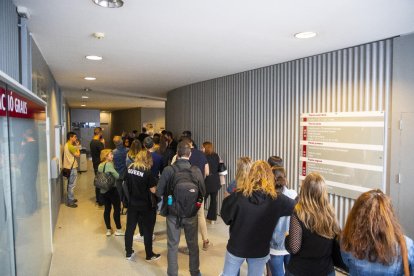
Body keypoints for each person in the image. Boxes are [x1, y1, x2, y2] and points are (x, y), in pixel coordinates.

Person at [220, 160, 295, 276]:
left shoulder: (238, 196)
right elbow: (298, 207)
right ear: (270, 177)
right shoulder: (277, 200)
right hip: (260, 250)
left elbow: (226, 217)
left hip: (236, 247)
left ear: (250, 175)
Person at [156, 141, 206, 276]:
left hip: (173, 214)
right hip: (191, 214)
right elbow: (203, 191)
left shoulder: (168, 170)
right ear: (189, 155)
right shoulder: (196, 171)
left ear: (177, 154)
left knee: (172, 245)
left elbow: (159, 192)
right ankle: (195, 272)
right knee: (193, 245)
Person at [341, 189, 414, 275]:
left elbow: (346, 263)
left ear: (356, 216)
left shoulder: (347, 241)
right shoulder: (407, 245)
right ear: (389, 216)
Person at [285, 172, 339, 276]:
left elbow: (294, 248)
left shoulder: (299, 213)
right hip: (325, 270)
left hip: (300, 270)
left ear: (305, 190)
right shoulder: (330, 213)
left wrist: (287, 237)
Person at [124, 150, 161, 262]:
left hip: (132, 203)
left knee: (130, 228)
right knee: (148, 230)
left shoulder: (129, 168)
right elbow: (153, 190)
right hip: (146, 205)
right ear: (147, 159)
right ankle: (149, 254)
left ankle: (128, 252)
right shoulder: (147, 172)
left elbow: (125, 183)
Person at [268, 167, 297, 276]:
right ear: (285, 179)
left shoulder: (268, 197)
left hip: (274, 247)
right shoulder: (293, 194)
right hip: (291, 245)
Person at [133, 136, 164, 242]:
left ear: (144, 145)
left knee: (141, 209)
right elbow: (162, 171)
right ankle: (150, 233)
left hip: (141, 183)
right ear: (153, 145)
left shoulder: (140, 156)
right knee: (152, 208)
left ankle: (142, 232)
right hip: (154, 183)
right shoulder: (159, 157)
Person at [98, 149, 123, 236]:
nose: (112, 156)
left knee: (107, 210)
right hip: (112, 190)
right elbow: (117, 175)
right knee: (117, 209)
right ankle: (119, 230)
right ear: (106, 156)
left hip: (103, 190)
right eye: (110, 155)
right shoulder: (109, 165)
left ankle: (108, 229)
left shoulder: (100, 165)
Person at [201, 141, 221, 223]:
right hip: (216, 180)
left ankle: (200, 217)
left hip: (207, 181)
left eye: (202, 147)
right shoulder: (216, 155)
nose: (201, 148)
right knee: (213, 200)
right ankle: (212, 218)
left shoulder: (203, 157)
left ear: (205, 148)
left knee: (203, 199)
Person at [63, 132, 80, 208]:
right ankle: (70, 201)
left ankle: (71, 198)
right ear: (70, 137)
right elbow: (78, 155)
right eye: (75, 137)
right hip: (72, 168)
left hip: (68, 167)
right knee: (72, 185)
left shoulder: (66, 145)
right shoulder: (71, 146)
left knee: (69, 184)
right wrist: (77, 146)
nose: (76, 138)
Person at [90, 127, 105, 206]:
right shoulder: (99, 143)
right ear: (99, 133)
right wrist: (103, 143)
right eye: (101, 133)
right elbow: (104, 154)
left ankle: (98, 198)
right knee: (100, 182)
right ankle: (100, 201)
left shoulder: (92, 142)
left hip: (95, 163)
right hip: (99, 164)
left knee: (98, 181)